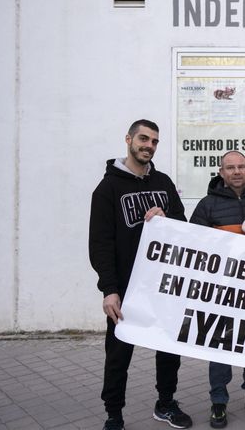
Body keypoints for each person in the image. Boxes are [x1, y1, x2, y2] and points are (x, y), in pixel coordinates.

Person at [88, 119, 193, 430]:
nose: (149, 145)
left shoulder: (163, 183)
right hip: (126, 287)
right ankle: (114, 414)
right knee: (119, 353)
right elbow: (100, 242)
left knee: (168, 349)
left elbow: (182, 224)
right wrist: (109, 289)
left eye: (154, 141)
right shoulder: (107, 189)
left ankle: (165, 403)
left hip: (163, 285)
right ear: (129, 140)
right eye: (143, 139)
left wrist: (166, 216)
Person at [189, 151, 245, 429]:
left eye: (241, 166)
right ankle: (218, 401)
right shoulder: (207, 205)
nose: (236, 172)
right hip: (221, 292)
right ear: (220, 172)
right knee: (220, 346)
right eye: (230, 167)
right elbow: (193, 246)